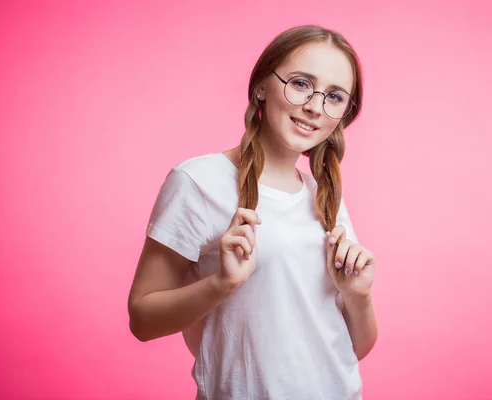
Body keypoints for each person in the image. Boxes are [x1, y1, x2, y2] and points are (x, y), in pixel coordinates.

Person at [127, 24, 378, 399]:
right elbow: (142, 320)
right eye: (300, 83)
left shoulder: (325, 196)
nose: (314, 106)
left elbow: (352, 349)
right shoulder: (198, 182)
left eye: (335, 96)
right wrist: (222, 284)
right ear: (261, 86)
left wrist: (358, 295)